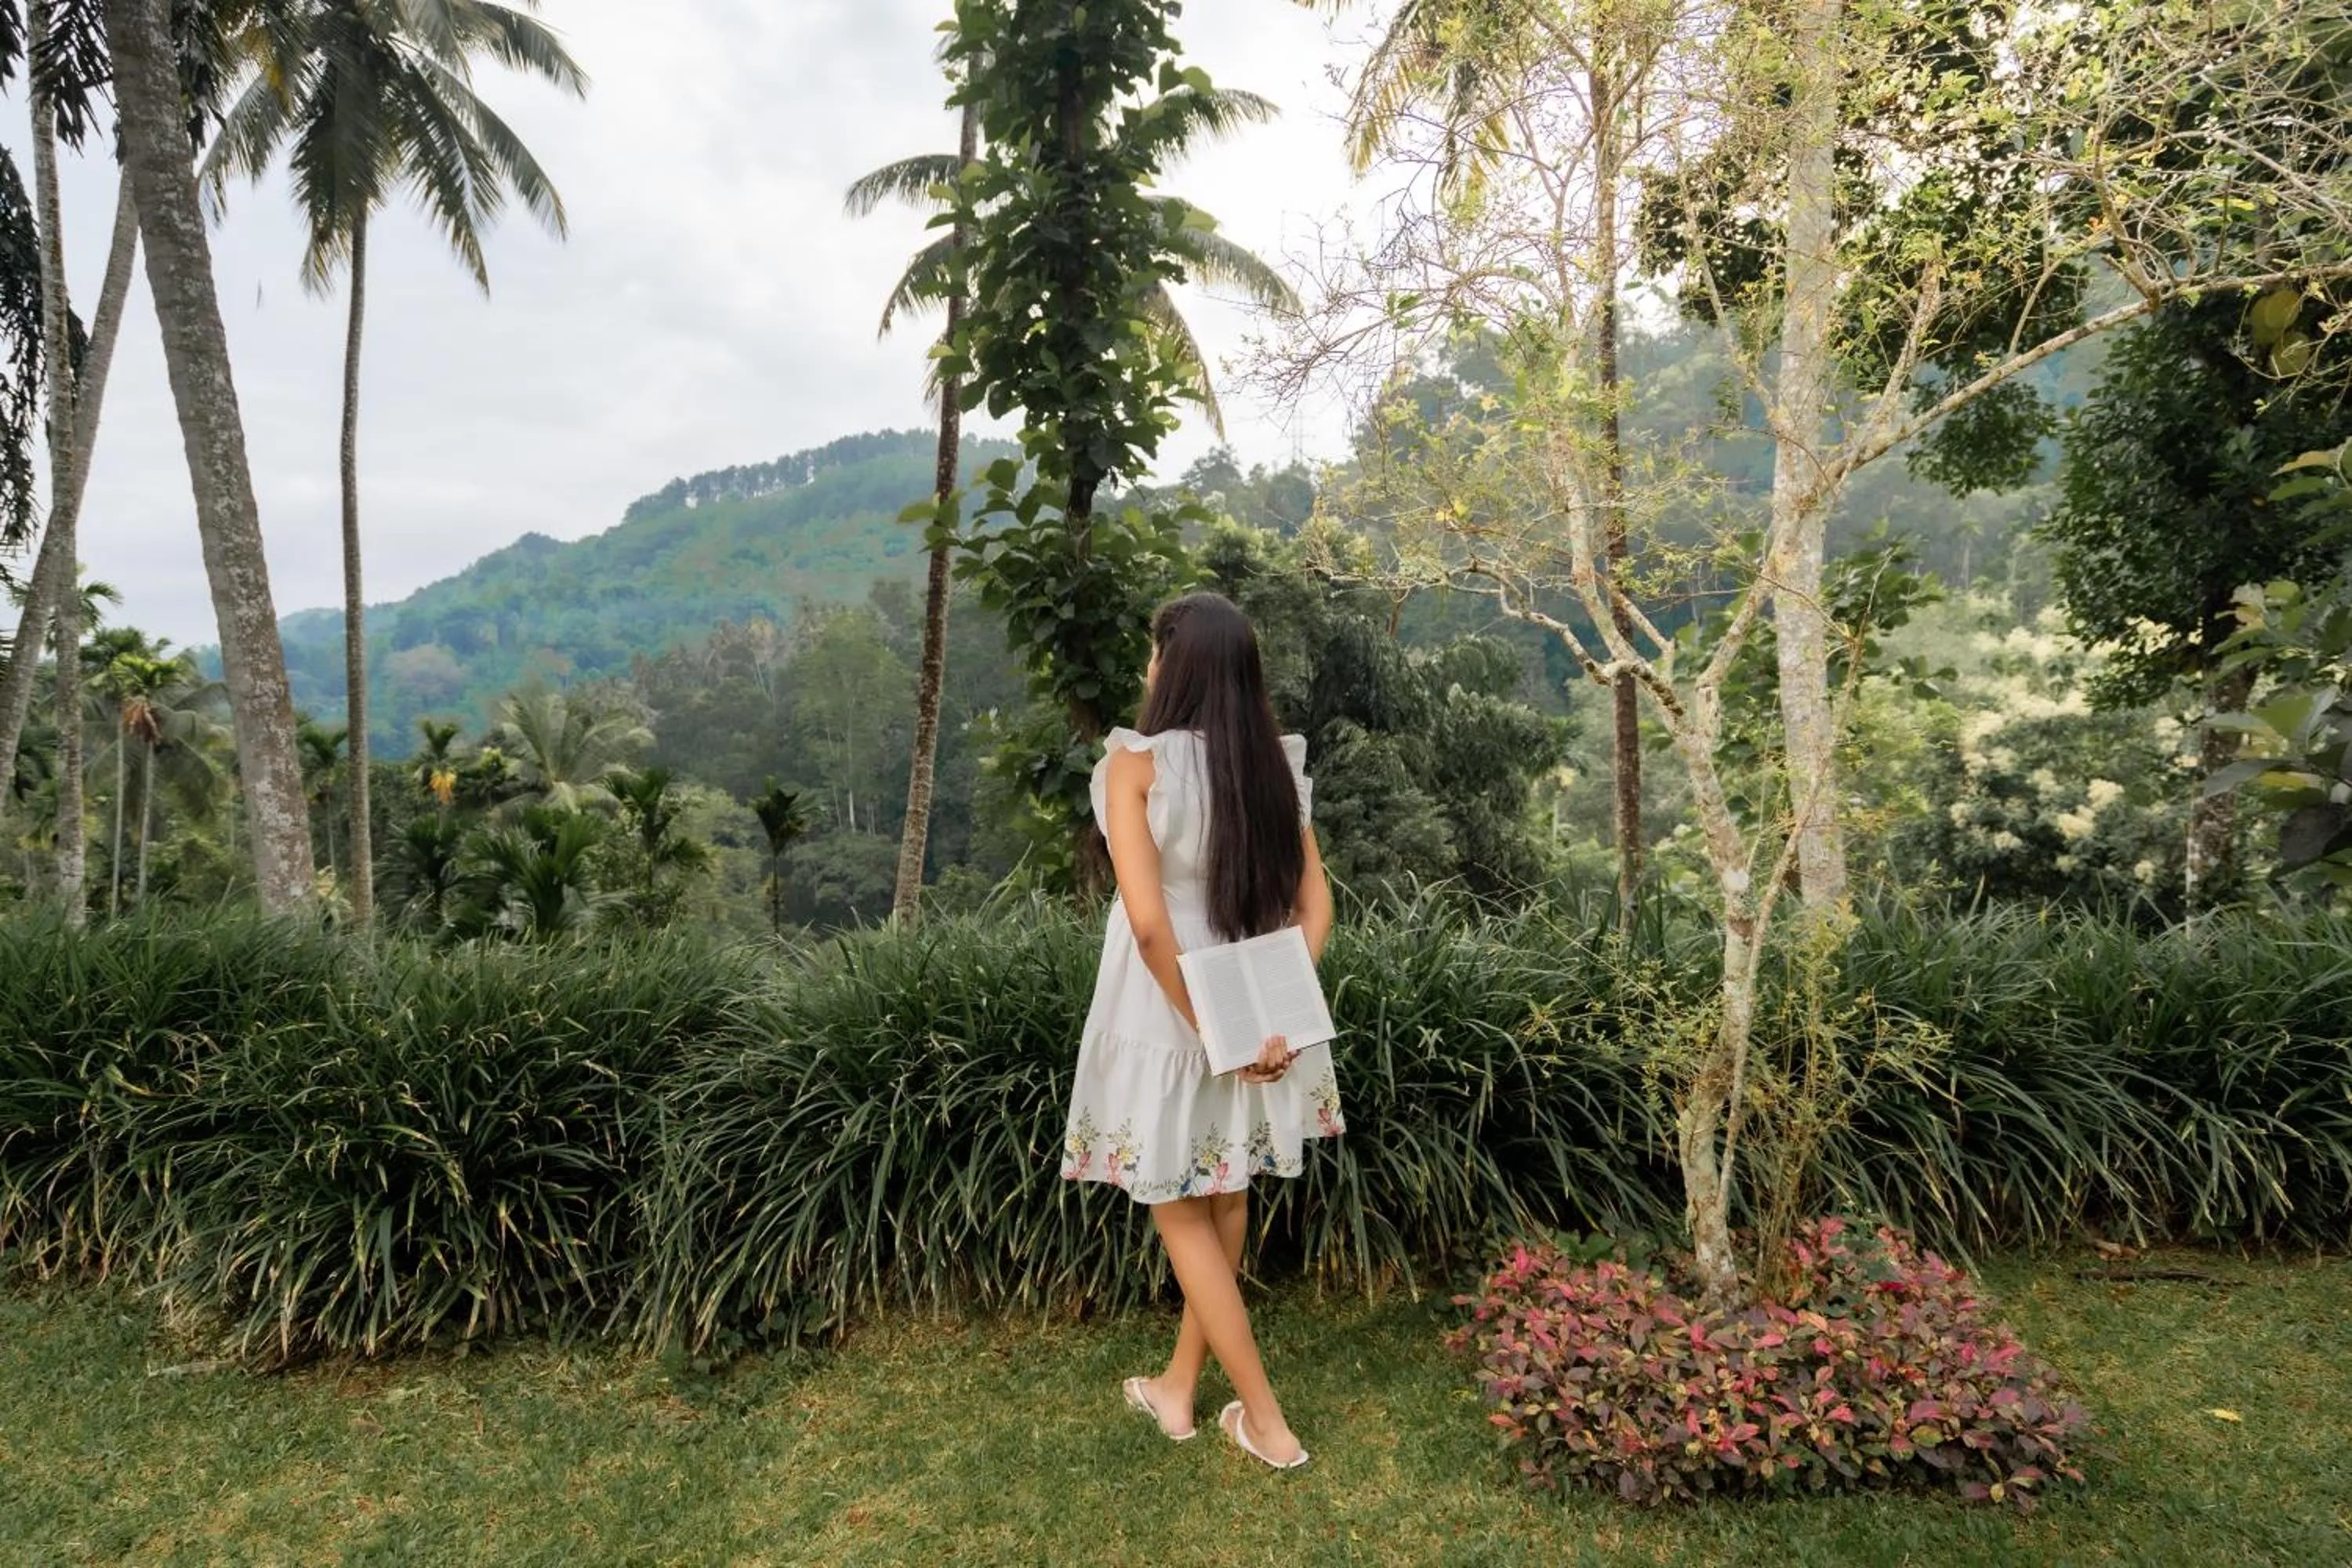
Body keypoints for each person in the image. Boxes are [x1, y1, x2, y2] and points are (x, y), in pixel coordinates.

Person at [1059, 590, 1344, 1472]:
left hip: (1166, 1005)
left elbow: (1149, 926)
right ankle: (1180, 1390)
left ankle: (1267, 1419)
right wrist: (1273, 1021)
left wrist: (1215, 1027)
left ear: (1172, 663)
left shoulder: (1133, 764)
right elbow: (1315, 905)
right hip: (1255, 1009)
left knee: (1178, 1204)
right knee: (1224, 1192)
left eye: (1155, 651)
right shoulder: (1271, 765)